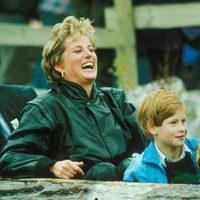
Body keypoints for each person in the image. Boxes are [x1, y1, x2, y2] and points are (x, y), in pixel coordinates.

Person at [0, 16, 145, 181]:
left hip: (130, 189)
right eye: (78, 51)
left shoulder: (116, 100)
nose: (89, 55)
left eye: (91, 49)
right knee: (103, 171)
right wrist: (51, 166)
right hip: (78, 193)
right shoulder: (45, 108)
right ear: (59, 65)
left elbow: (150, 142)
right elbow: (10, 158)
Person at [124, 89, 199, 184]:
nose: (182, 128)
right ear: (152, 127)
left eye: (183, 121)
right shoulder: (139, 171)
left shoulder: (197, 151)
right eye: (173, 123)